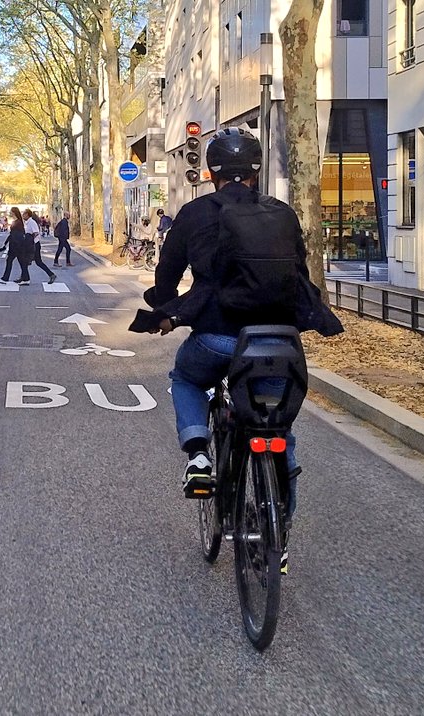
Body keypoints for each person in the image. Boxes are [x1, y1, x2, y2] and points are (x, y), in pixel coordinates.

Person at [134, 127, 342, 569]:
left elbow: (166, 276)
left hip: (217, 338)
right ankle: (278, 538)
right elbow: (299, 274)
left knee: (186, 378)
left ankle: (198, 456)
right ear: (256, 172)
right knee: (278, 433)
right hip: (276, 343)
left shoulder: (193, 214)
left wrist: (166, 306)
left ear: (210, 173)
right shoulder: (282, 213)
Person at [21, 208, 56, 284]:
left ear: (27, 214)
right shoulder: (27, 223)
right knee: (25, 261)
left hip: (34, 245)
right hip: (31, 245)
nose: (22, 215)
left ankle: (51, 275)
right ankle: (24, 277)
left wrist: (29, 239)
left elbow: (36, 232)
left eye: (24, 214)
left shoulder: (32, 222)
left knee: (37, 262)